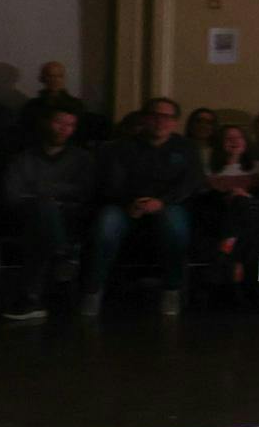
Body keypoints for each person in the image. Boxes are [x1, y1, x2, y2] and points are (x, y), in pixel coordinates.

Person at [81, 97, 202, 316]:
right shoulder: (121, 148)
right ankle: (93, 290)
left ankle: (172, 289)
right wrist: (131, 202)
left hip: (168, 203)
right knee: (106, 225)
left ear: (175, 122)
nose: (161, 122)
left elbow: (190, 182)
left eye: (167, 117)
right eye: (156, 116)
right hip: (126, 204)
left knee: (175, 227)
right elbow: (110, 181)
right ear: (145, 118)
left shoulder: (186, 148)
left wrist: (162, 201)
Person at [0, 106, 95, 319]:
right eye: (59, 122)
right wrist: (50, 197)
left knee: (42, 225)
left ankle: (30, 298)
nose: (64, 129)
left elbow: (85, 192)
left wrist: (44, 193)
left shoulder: (83, 159)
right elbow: (12, 194)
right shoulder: (23, 159)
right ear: (47, 123)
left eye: (70, 125)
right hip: (26, 215)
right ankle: (62, 256)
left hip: (69, 217)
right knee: (41, 216)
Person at [196, 122, 259, 295]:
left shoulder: (258, 168)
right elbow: (205, 202)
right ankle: (239, 265)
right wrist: (230, 196)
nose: (234, 141)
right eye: (228, 138)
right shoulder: (211, 170)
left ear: (245, 142)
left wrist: (245, 196)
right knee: (239, 205)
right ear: (220, 144)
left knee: (244, 204)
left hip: (254, 217)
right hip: (222, 218)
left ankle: (228, 250)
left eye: (238, 137)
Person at [16, 61, 87, 148]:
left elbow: (80, 134)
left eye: (59, 76)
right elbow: (25, 133)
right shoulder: (31, 106)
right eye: (50, 76)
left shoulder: (76, 105)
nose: (55, 80)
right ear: (42, 78)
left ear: (64, 78)